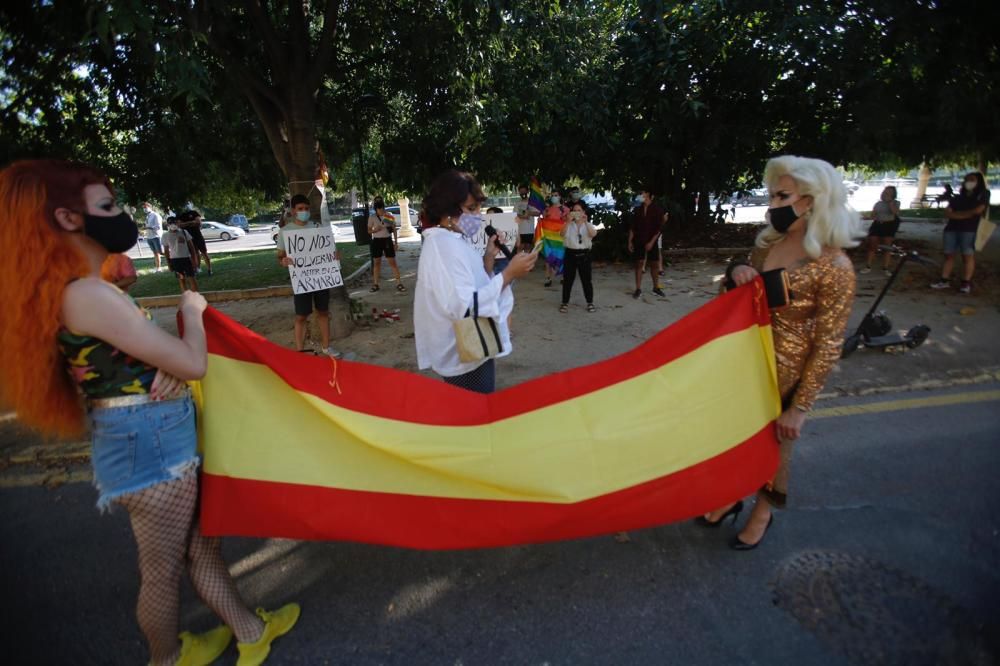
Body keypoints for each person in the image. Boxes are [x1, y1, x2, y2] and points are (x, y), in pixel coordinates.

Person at [0, 159, 299, 666]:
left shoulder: (80, 289)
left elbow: (126, 362)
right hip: (150, 443)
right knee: (161, 571)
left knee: (200, 548)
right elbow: (193, 362)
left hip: (150, 432)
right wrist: (192, 312)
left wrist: (163, 369)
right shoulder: (88, 295)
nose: (121, 216)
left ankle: (249, 633)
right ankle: (166, 659)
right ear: (70, 219)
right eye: (108, 206)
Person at [698, 155, 860, 550]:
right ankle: (731, 495)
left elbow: (828, 344)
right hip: (745, 363)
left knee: (774, 449)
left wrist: (800, 407)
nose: (773, 204)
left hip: (785, 376)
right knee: (735, 439)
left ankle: (762, 512)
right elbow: (735, 298)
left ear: (811, 200)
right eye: (771, 195)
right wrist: (737, 270)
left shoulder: (835, 266)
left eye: (782, 195)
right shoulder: (768, 244)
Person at [414, 169, 538, 393]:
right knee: (475, 413)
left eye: (478, 207)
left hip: (473, 345)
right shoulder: (444, 246)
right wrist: (508, 274)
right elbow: (465, 306)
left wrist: (489, 259)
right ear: (448, 210)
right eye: (471, 208)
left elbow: (468, 284)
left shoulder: (451, 240)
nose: (478, 215)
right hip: (465, 354)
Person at [277, 193, 340, 357]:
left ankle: (326, 347)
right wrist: (283, 261)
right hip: (301, 280)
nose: (304, 211)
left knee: (323, 312)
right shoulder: (285, 231)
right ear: (293, 210)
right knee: (301, 316)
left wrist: (334, 257)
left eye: (306, 208)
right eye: (300, 209)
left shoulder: (318, 228)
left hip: (320, 279)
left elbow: (328, 250)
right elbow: (280, 256)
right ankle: (300, 352)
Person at [930, 172, 990, 294]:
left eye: (972, 179)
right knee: (948, 255)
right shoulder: (957, 197)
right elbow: (948, 212)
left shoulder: (982, 195)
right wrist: (964, 215)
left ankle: (965, 282)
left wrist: (958, 215)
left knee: (967, 256)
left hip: (969, 229)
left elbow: (978, 210)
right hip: (952, 228)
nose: (969, 182)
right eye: (967, 179)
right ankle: (944, 279)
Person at [559, 202, 598, 313]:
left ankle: (590, 302)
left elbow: (593, 234)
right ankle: (564, 303)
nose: (577, 213)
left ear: (583, 212)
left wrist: (585, 222)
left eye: (579, 210)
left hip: (584, 254)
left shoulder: (587, 224)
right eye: (574, 210)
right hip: (570, 254)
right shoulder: (568, 224)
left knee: (586, 280)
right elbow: (561, 234)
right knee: (568, 280)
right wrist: (567, 221)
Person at [628, 190, 667, 298]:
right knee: (639, 263)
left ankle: (656, 287)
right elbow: (633, 227)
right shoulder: (637, 209)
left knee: (654, 264)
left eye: (643, 193)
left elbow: (659, 228)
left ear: (649, 195)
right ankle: (638, 289)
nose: (640, 195)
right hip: (639, 240)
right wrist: (630, 241)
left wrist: (651, 242)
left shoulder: (657, 209)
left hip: (652, 240)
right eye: (640, 193)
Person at [860, 186, 901, 275]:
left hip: (889, 226)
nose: (887, 193)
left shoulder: (896, 203)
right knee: (872, 245)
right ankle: (868, 266)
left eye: (889, 192)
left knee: (887, 247)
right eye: (886, 191)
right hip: (877, 225)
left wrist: (890, 202)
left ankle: (885, 268)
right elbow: (873, 215)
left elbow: (895, 212)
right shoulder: (878, 203)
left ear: (893, 194)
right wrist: (865, 217)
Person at [367, 197, 404, 292]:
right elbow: (369, 231)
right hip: (376, 241)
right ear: (376, 209)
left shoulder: (389, 216)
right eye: (379, 209)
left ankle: (399, 283)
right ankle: (375, 284)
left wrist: (396, 242)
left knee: (392, 262)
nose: (381, 211)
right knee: (376, 263)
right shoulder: (372, 217)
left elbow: (394, 229)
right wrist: (375, 230)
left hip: (387, 240)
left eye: (383, 208)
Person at [163, 217, 200, 292]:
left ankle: (196, 297)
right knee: (181, 279)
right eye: (171, 223)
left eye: (175, 223)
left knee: (191, 278)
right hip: (175, 260)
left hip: (186, 258)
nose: (173, 225)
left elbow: (192, 248)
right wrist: (169, 264)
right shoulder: (165, 235)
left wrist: (194, 260)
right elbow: (166, 251)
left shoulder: (184, 232)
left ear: (178, 223)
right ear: (168, 224)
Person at [541, 190, 568, 287]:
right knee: (549, 258)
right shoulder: (547, 209)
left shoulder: (565, 209)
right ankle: (548, 278)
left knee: (562, 257)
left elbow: (567, 223)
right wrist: (543, 217)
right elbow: (544, 222)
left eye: (556, 195)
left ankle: (563, 277)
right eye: (552, 196)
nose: (554, 197)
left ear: (560, 197)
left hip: (561, 238)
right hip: (549, 239)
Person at [178, 209, 213, 276]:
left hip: (198, 236)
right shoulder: (181, 215)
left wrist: (186, 224)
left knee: (204, 252)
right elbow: (180, 225)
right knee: (194, 254)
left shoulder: (194, 213)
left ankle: (209, 269)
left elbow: (198, 222)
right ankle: (197, 269)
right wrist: (191, 222)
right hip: (189, 238)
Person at [514, 183, 541, 253]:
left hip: (529, 230)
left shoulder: (532, 202)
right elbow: (515, 214)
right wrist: (524, 214)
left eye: (524, 191)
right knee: (520, 246)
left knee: (528, 246)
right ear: (519, 192)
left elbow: (538, 213)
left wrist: (529, 213)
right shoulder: (517, 203)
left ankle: (526, 261)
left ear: (527, 191)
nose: (523, 193)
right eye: (521, 191)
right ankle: (519, 262)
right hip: (520, 230)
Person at [142, 202, 164, 271]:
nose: (144, 209)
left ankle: (173, 259)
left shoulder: (156, 215)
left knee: (161, 252)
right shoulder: (147, 216)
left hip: (156, 236)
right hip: (149, 237)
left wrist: (148, 227)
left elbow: (158, 226)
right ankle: (158, 268)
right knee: (155, 253)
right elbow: (148, 226)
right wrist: (145, 230)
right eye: (143, 208)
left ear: (150, 207)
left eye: (145, 207)